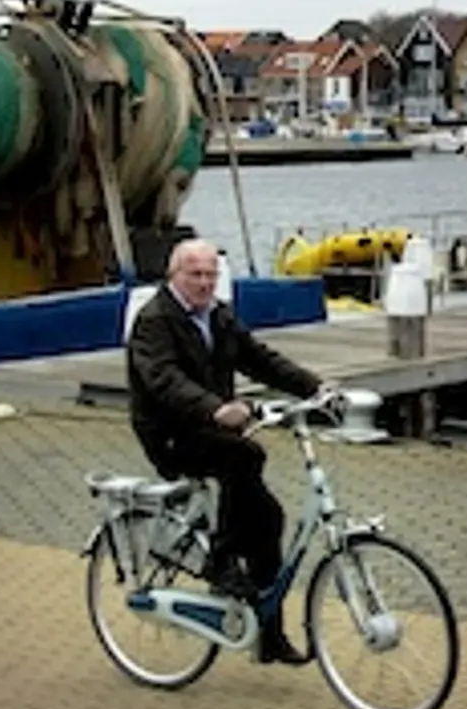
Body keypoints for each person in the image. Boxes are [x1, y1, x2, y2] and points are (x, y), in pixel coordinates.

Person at [125, 236, 324, 663]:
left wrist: (316, 387)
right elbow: (164, 380)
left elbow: (260, 359)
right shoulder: (154, 321)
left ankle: (269, 636)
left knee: (269, 520)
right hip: (171, 433)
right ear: (174, 276)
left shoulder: (218, 315)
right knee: (246, 457)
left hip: (213, 431)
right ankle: (219, 559)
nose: (203, 283)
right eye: (194, 274)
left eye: (211, 274)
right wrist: (216, 409)